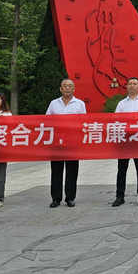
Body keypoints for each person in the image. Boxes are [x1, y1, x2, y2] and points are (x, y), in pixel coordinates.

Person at [46, 79, 87, 208]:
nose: (67, 88)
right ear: (61, 89)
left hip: (72, 142)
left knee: (72, 170)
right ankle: (56, 198)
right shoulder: (53, 103)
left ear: (74, 89)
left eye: (70, 86)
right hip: (56, 142)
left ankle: (70, 198)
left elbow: (84, 122)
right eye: (65, 86)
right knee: (56, 171)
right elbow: (46, 120)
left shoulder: (80, 104)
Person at [112, 77, 138, 207]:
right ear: (126, 87)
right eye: (130, 84)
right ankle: (120, 196)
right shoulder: (121, 104)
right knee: (121, 169)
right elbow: (115, 120)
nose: (132, 86)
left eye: (135, 84)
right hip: (125, 141)